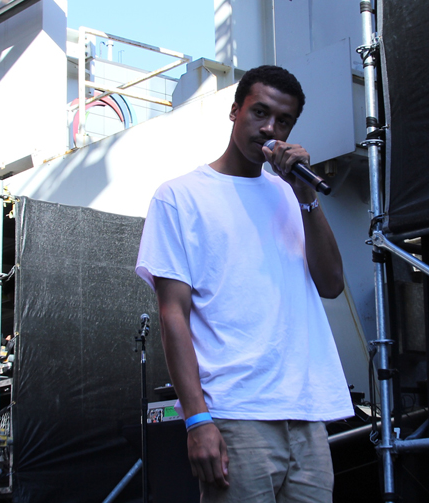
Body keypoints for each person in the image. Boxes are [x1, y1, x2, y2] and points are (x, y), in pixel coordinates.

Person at [136, 65, 353, 502]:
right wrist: (197, 419)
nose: (270, 128)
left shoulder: (291, 194)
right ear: (235, 111)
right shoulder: (180, 196)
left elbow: (331, 284)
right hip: (236, 414)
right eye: (260, 112)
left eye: (284, 121)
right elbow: (172, 315)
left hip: (306, 413)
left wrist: (307, 197)